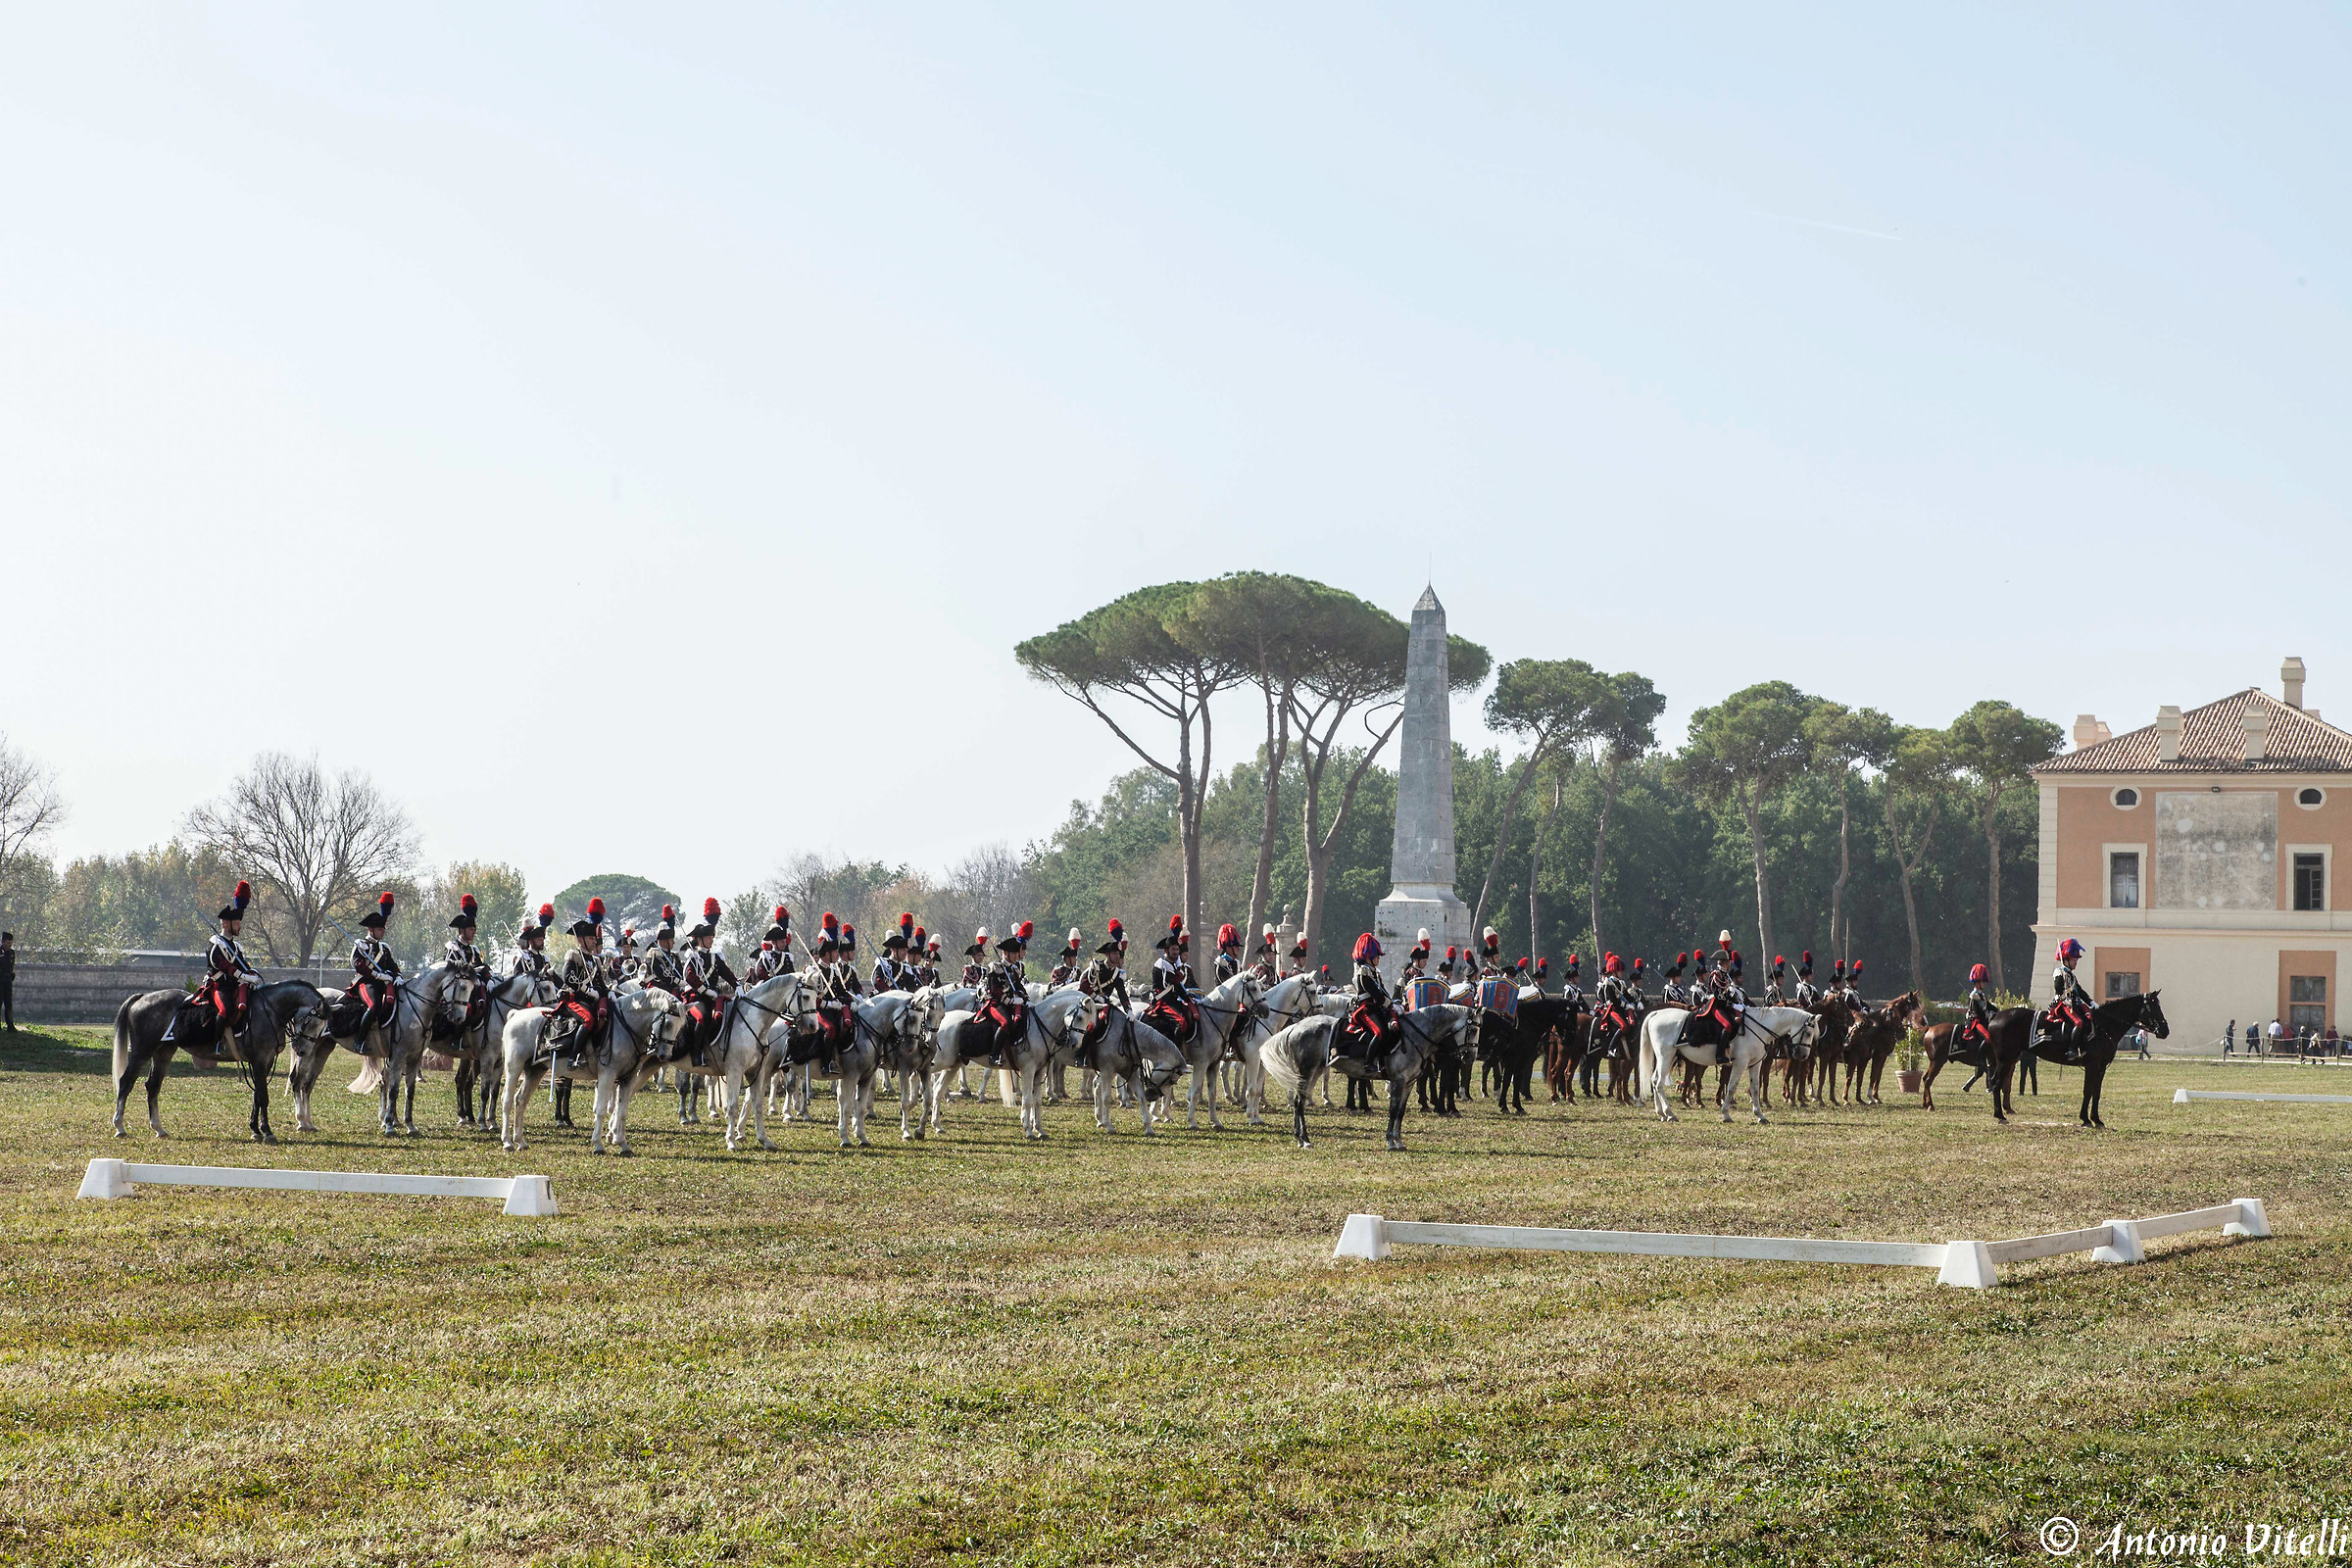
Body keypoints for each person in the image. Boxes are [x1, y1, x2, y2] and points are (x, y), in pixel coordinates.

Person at [166, 881, 264, 1046]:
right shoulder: (216, 944)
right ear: (226, 924)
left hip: (233, 985)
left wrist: (251, 973)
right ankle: (215, 1043)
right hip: (219, 986)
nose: (239, 927)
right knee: (224, 1011)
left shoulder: (235, 946)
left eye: (239, 923)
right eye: (237, 924)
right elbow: (223, 966)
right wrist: (244, 976)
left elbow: (242, 965)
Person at [547, 901, 612, 1066]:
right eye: (591, 938)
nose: (594, 942)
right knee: (589, 1019)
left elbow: (599, 982)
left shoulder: (595, 960)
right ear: (581, 939)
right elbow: (568, 977)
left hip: (591, 1001)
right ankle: (573, 1057)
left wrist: (608, 992)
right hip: (574, 999)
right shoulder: (574, 955)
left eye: (594, 939)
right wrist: (588, 991)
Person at [682, 911, 736, 1065]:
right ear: (700, 940)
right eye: (708, 938)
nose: (711, 940)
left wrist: (737, 985)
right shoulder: (693, 958)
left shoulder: (715, 958)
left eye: (712, 937)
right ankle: (696, 1053)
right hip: (696, 998)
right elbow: (689, 977)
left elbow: (727, 973)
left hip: (713, 997)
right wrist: (705, 991)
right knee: (702, 1018)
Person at [1075, 920, 1130, 1068]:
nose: (1118, 956)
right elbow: (1084, 985)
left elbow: (1122, 994)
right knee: (1092, 1025)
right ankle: (1080, 1054)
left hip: (1104, 1004)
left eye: (1119, 953)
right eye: (1115, 953)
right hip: (1087, 1001)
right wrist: (1097, 997)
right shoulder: (1096, 967)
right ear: (1107, 954)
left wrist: (1129, 1010)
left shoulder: (1117, 974)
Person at [1141, 916, 1200, 1045]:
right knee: (1180, 1023)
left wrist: (1189, 1000)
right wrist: (1177, 976)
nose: (1176, 952)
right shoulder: (1161, 964)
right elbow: (1169, 984)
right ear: (1166, 950)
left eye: (1177, 949)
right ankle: (1174, 1053)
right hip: (1162, 1001)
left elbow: (1179, 989)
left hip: (1172, 1001)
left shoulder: (1173, 965)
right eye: (1173, 949)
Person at [351, 892, 401, 1037]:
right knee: (373, 1006)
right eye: (379, 929)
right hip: (365, 982)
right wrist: (378, 975)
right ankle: (360, 1041)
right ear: (370, 930)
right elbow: (357, 965)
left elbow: (392, 965)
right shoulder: (362, 945)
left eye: (383, 929)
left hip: (382, 983)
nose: (382, 932)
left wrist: (398, 976)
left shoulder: (384, 948)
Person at [1339, 932, 1393, 1057]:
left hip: (1376, 1008)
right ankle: (1368, 1063)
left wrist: (1393, 1002)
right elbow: (1376, 994)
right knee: (1379, 1032)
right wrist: (1388, 1004)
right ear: (1368, 956)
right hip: (1366, 1009)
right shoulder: (1363, 973)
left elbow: (1383, 991)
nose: (1378, 958)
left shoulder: (1375, 973)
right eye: (1376, 955)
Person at [2044, 938, 2095, 1058]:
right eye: (2074, 960)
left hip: (2073, 1004)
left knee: (2088, 1019)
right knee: (2078, 1022)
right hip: (2062, 1004)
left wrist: (2091, 1002)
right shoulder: (2059, 972)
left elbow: (2080, 991)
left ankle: (2083, 1046)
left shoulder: (2072, 976)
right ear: (2066, 960)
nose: (2076, 962)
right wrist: (2067, 1000)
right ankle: (2071, 1050)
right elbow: (2058, 989)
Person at [511, 905, 556, 981]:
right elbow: (517, 977)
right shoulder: (523, 956)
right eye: (539, 940)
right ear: (531, 942)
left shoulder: (544, 959)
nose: (542, 942)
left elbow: (554, 978)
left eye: (543, 939)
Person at [0, 930, 14, 1032]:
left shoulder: (11, 953)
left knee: (8, 1004)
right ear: (3, 942)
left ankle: (10, 1025)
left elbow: (11, 966)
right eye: (8, 942)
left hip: (8, 982)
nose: (10, 945)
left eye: (11, 943)